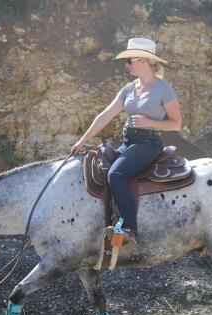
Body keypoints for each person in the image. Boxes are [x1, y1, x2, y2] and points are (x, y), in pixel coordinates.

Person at [70, 37, 182, 237]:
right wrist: (82, 141)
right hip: (129, 142)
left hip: (149, 143)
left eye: (130, 60)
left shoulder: (163, 89)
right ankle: (107, 222)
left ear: (143, 61)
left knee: (116, 174)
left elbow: (176, 123)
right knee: (102, 168)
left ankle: (129, 228)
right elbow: (105, 115)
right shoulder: (129, 88)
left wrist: (150, 123)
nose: (126, 64)